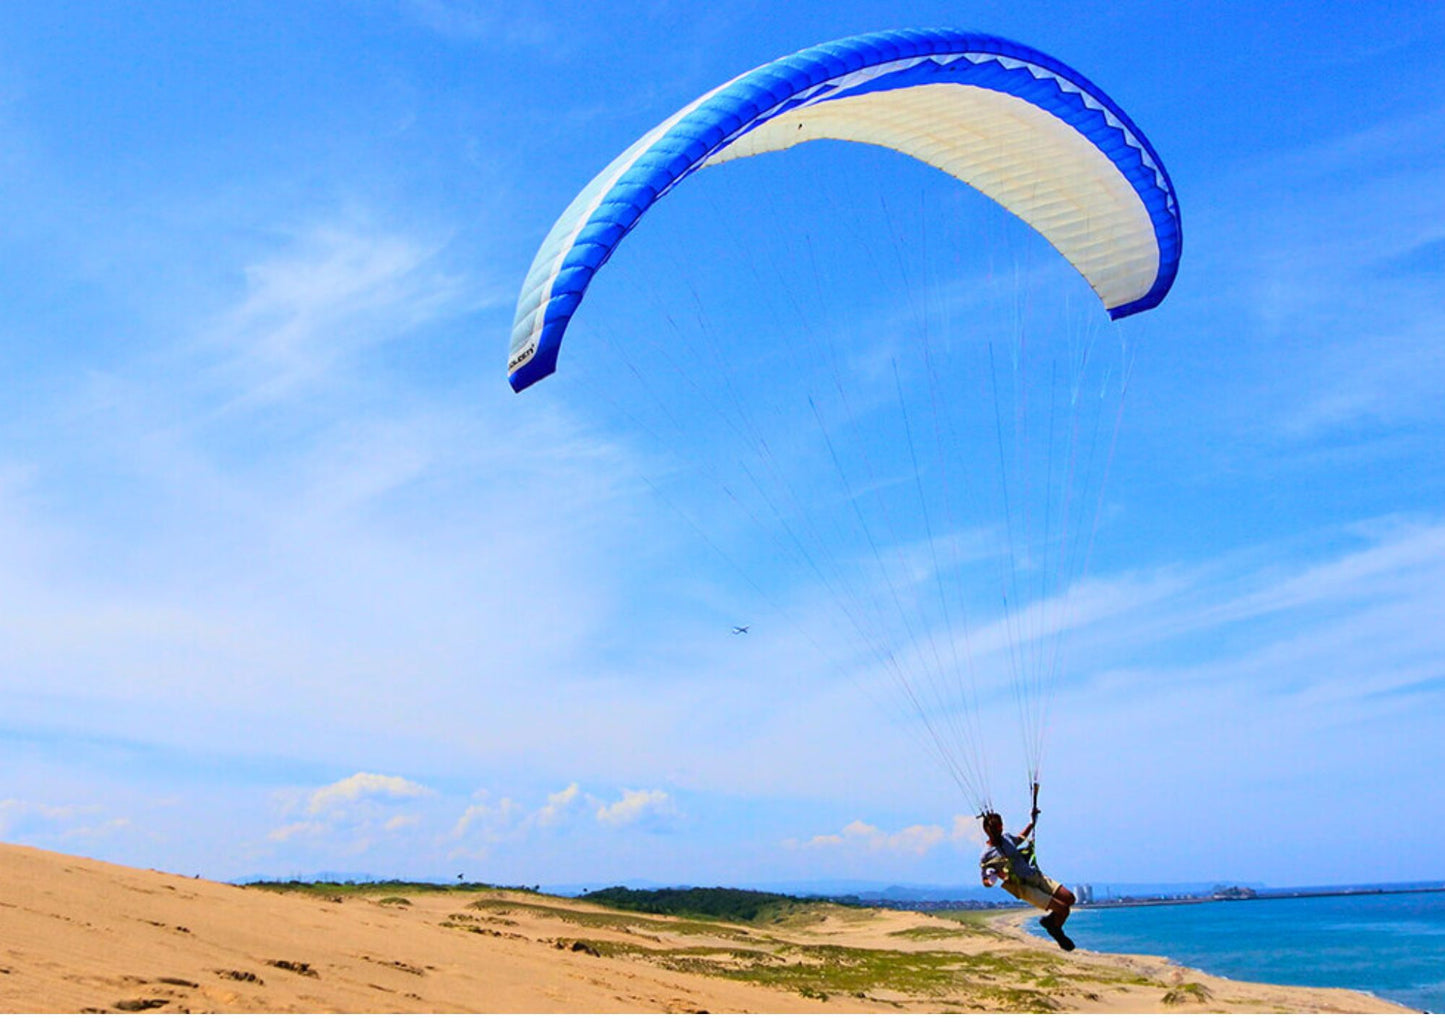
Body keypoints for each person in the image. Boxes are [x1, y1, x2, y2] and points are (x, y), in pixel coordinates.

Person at [980, 801, 1076, 951]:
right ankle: (1055, 930)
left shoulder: (1006, 838)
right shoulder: (986, 855)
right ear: (987, 830)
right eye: (994, 829)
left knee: (1070, 898)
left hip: (1034, 875)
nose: (998, 831)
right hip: (1023, 887)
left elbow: (1020, 838)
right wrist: (992, 877)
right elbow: (985, 881)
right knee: (1063, 910)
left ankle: (1050, 922)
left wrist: (1032, 822)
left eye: (999, 828)